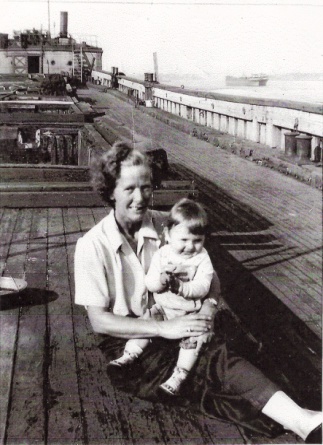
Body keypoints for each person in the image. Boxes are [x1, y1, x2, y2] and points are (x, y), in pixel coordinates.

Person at [74, 141, 322, 444]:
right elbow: (99, 322)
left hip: (177, 319)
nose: (140, 198)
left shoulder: (169, 225)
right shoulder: (91, 245)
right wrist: (163, 328)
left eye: (146, 187)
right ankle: (301, 420)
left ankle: (299, 420)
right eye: (129, 189)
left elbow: (212, 277)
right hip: (128, 344)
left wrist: (209, 306)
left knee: (233, 347)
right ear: (110, 191)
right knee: (212, 363)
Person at [109, 198, 215, 396]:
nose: (190, 247)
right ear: (167, 235)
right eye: (184, 240)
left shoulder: (202, 258)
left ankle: (179, 374)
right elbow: (149, 283)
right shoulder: (163, 254)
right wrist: (161, 281)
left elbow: (203, 287)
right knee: (146, 322)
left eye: (197, 240)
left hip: (188, 313)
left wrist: (181, 287)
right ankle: (129, 354)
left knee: (192, 340)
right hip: (163, 309)